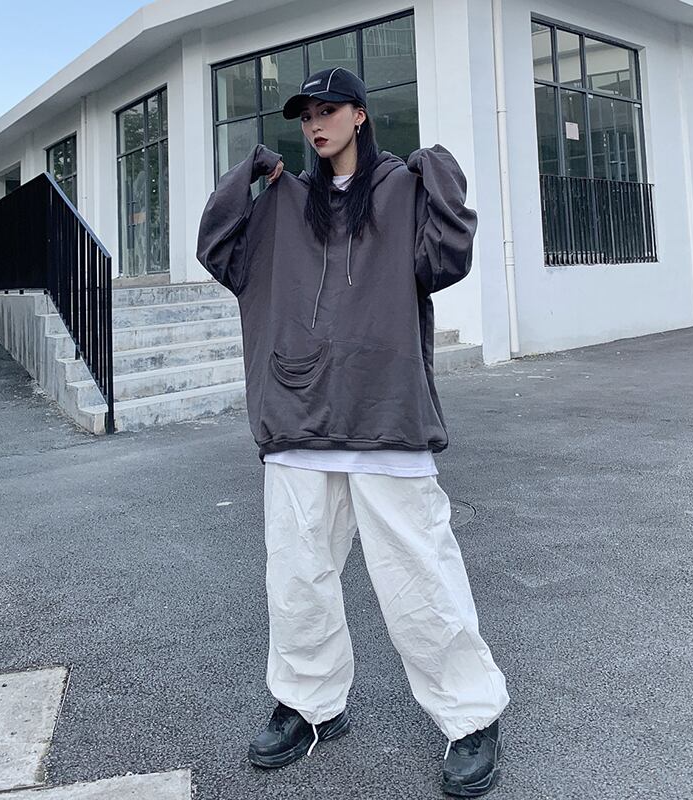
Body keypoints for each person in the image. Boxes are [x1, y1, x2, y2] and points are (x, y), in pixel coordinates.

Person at [196, 66, 510, 797]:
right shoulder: (284, 202)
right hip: (298, 415)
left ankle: (471, 716)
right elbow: (218, 251)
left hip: (383, 412)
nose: (315, 123)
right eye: (306, 114)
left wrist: (440, 173)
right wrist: (247, 176)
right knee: (297, 576)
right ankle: (310, 706)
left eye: (328, 109)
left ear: (360, 115)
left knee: (419, 576)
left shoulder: (400, 190)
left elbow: (447, 258)